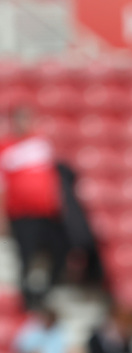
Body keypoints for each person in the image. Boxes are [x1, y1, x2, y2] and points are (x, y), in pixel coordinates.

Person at [0, 106, 70, 306]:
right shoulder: (6, 148)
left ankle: (47, 290)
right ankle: (27, 299)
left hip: (47, 212)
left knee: (60, 249)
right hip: (21, 213)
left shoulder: (41, 144)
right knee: (26, 256)